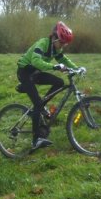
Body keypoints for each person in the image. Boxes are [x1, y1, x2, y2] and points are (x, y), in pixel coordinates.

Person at [16, 21, 83, 150]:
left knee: (59, 83)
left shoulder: (55, 48)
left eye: (65, 43)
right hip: (25, 72)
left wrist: (77, 68)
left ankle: (42, 105)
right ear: (54, 37)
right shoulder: (43, 43)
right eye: (62, 42)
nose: (63, 45)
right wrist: (54, 67)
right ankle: (36, 140)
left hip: (35, 73)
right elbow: (36, 61)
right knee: (37, 104)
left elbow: (63, 60)